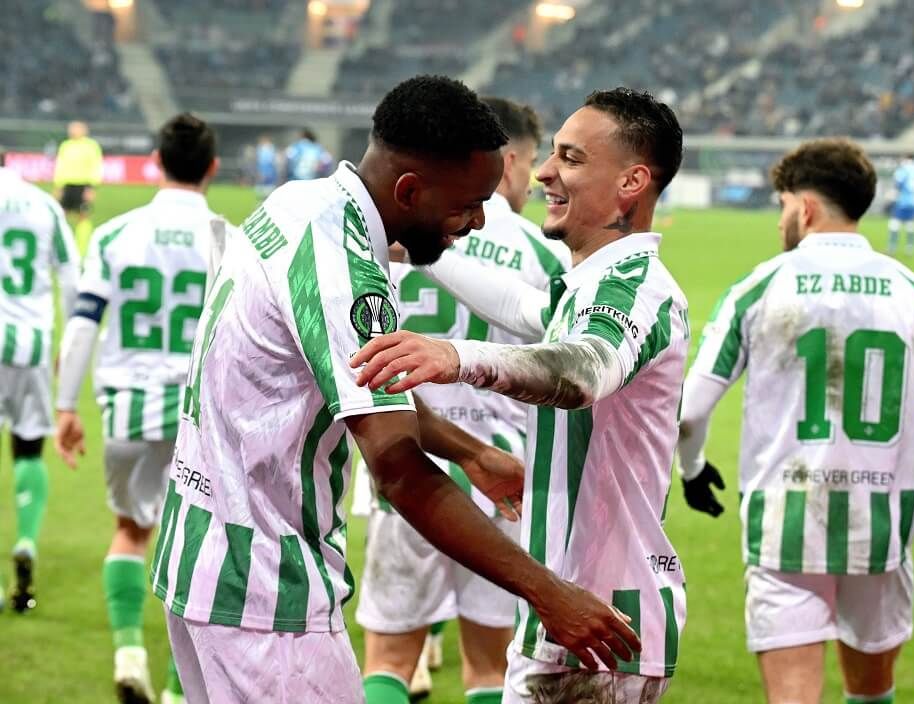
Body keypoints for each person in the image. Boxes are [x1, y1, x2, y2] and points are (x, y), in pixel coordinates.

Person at [150, 76, 638, 704]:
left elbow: (352, 385)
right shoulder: (347, 267)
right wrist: (548, 593)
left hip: (202, 551)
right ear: (410, 189)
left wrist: (470, 452)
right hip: (265, 584)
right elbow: (398, 468)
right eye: (468, 202)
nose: (479, 220)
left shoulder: (297, 203)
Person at [351, 87, 688, 703]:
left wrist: (455, 356)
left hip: (600, 615)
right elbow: (520, 306)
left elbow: (584, 370)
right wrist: (422, 247)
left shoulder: (634, 286)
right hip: (578, 603)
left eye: (573, 159)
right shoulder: (590, 286)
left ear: (631, 182)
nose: (544, 173)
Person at [677, 138, 914, 704]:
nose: (781, 222)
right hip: (881, 530)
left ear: (805, 208)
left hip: (783, 528)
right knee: (871, 694)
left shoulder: (755, 290)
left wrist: (693, 469)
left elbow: (690, 411)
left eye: (782, 207)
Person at [354, 97, 570, 704]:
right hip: (504, 475)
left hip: (405, 456)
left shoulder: (396, 234)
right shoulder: (542, 251)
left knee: (391, 658)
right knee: (487, 664)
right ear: (512, 160)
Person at [54, 113, 228, 704]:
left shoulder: (114, 233)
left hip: (127, 406)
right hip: (198, 415)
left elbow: (81, 327)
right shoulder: (228, 237)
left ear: (155, 161)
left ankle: (129, 652)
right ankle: (183, 689)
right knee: (203, 547)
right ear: (212, 167)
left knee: (130, 531)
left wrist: (64, 407)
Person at [0, 149, 80, 613]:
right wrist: (67, 349)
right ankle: (26, 541)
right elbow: (72, 282)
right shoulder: (43, 205)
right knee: (29, 445)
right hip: (29, 342)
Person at [52, 121, 104, 253]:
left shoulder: (91, 146)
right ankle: (62, 247)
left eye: (75, 128)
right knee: (61, 216)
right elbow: (60, 166)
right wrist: (58, 186)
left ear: (83, 130)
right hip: (67, 185)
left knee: (83, 216)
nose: (72, 131)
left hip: (83, 185)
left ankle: (81, 249)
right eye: (71, 129)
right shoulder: (66, 145)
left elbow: (95, 166)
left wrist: (91, 187)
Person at [886, 155, 914, 257]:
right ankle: (910, 248)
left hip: (903, 201)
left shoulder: (903, 169)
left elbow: (898, 183)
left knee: (894, 223)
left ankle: (892, 247)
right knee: (911, 225)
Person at [255, 134, 279, 199]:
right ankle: (262, 201)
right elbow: (260, 161)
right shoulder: (261, 148)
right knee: (262, 187)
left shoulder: (270, 148)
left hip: (269, 170)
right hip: (264, 170)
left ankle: (267, 200)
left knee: (269, 186)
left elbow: (272, 160)